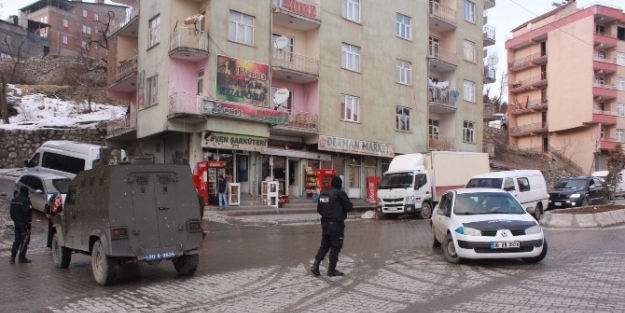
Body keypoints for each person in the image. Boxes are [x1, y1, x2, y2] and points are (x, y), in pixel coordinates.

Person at [311, 176, 353, 277]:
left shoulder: (323, 193)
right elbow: (349, 207)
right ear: (339, 184)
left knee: (324, 245)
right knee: (335, 247)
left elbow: (319, 209)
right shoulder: (339, 193)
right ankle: (331, 270)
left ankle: (315, 265)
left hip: (325, 224)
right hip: (336, 224)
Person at [10, 186, 33, 264]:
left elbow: (11, 212)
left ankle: (12, 257)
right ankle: (21, 257)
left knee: (17, 240)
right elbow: (28, 213)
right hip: (23, 224)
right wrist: (28, 223)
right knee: (25, 240)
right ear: (26, 192)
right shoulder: (26, 201)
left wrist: (15, 220)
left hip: (17, 223)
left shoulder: (14, 200)